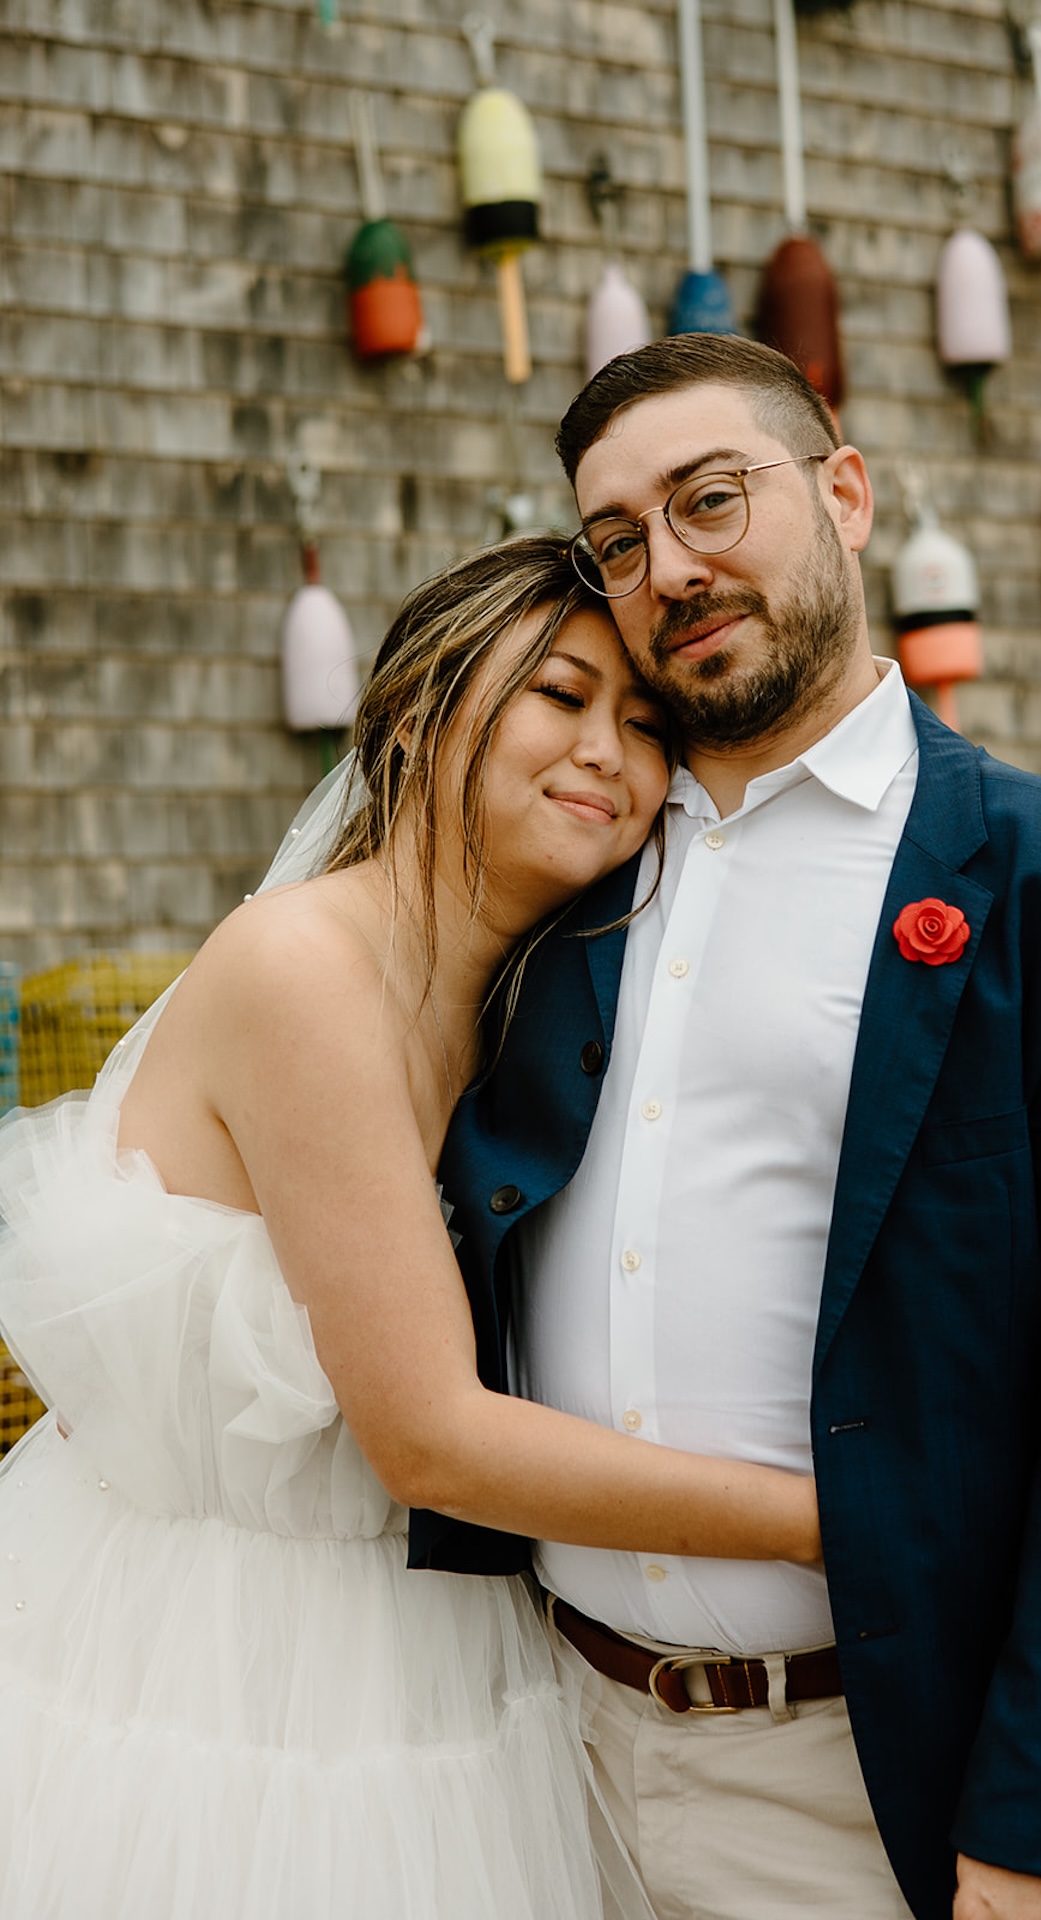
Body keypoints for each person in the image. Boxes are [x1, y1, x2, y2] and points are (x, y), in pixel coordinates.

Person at [430, 339, 1041, 1920]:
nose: (669, 568)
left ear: (846, 495)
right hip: (528, 1744)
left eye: (709, 500)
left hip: (864, 1773)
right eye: (617, 541)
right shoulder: (557, 874)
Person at [0, 534, 823, 1920]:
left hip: (441, 1634)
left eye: (644, 725)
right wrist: (835, 1522)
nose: (607, 752)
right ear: (423, 712)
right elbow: (428, 1435)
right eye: (559, 695)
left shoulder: (535, 1005)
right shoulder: (305, 969)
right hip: (227, 1657)